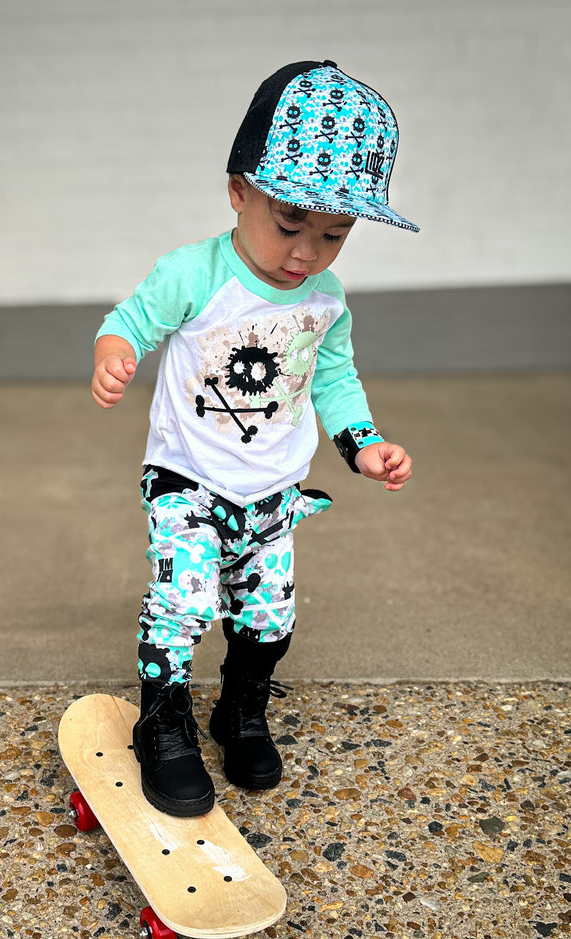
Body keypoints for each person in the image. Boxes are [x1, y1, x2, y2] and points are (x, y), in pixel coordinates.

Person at [91, 60, 418, 817]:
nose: (307, 252)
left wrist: (363, 443)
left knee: (268, 615)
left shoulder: (325, 299)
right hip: (187, 478)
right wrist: (115, 355)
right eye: (290, 225)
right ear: (240, 191)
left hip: (272, 489)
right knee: (183, 601)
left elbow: (333, 377)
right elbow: (129, 322)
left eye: (335, 234)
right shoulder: (195, 274)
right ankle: (163, 724)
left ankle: (240, 712)